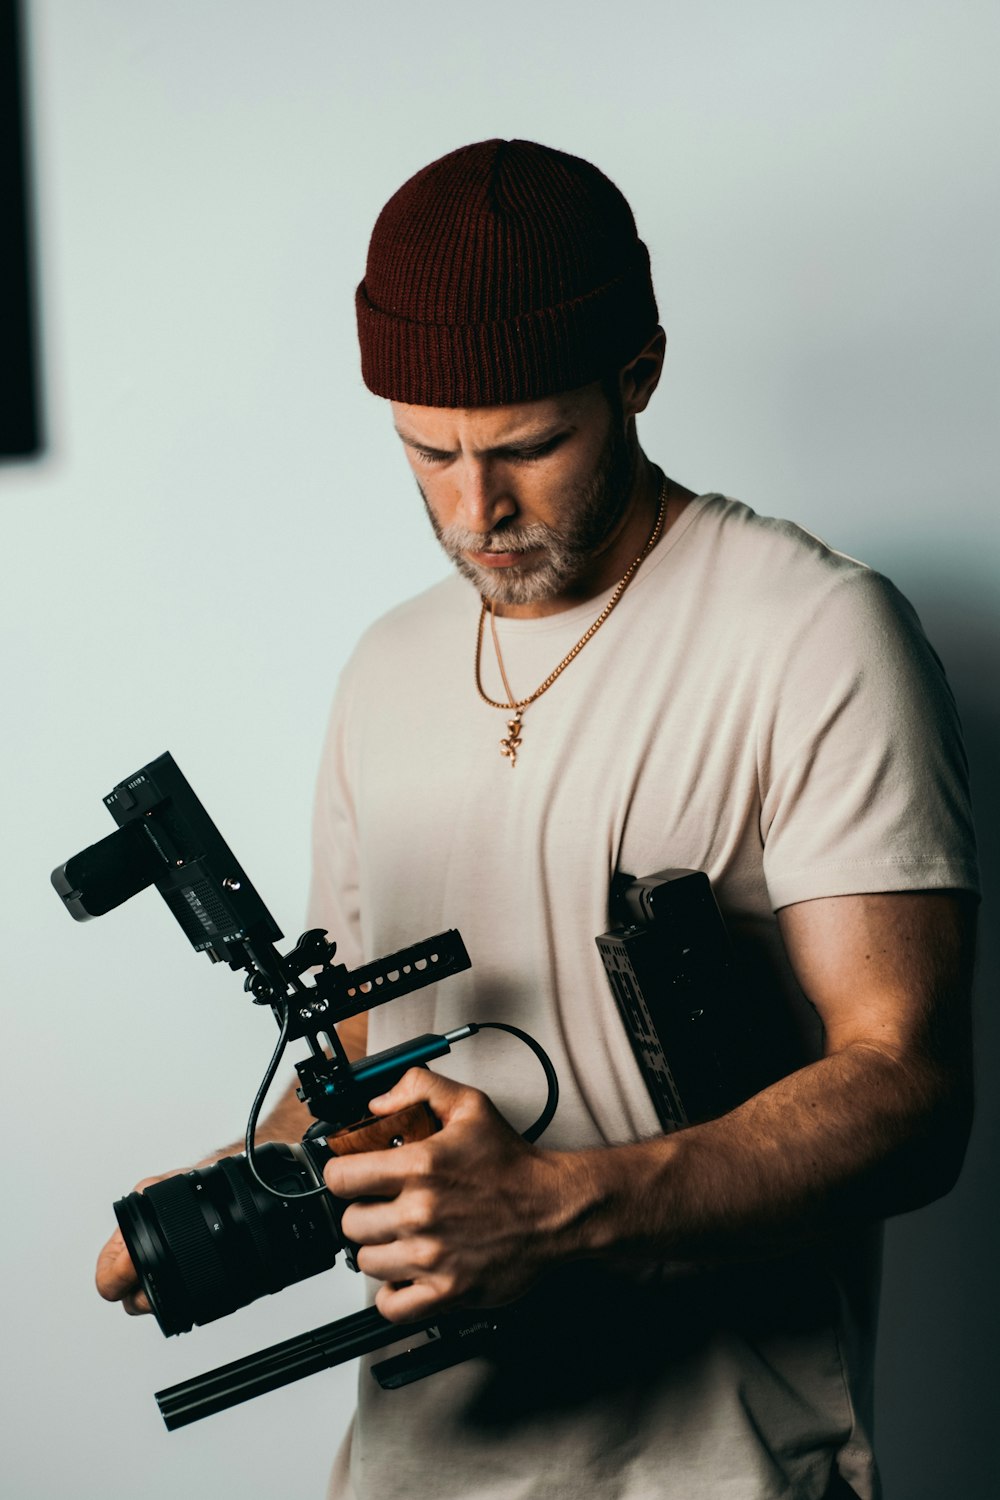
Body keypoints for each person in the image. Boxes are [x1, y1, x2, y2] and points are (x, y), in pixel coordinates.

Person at [97, 140, 979, 1500]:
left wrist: (557, 1215)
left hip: (715, 1469)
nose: (476, 510)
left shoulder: (811, 634)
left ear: (639, 375)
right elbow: (348, 1059)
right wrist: (228, 1200)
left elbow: (908, 1090)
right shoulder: (386, 668)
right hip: (411, 1471)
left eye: (528, 445)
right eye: (428, 452)